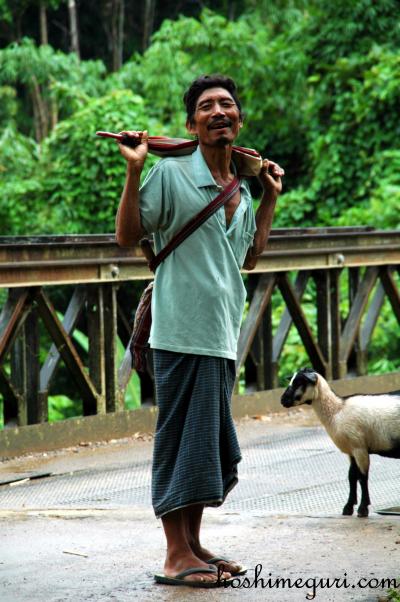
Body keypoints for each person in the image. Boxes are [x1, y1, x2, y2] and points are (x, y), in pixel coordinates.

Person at [115, 74, 284, 587]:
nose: (218, 111)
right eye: (206, 106)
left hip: (219, 334)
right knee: (179, 441)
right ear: (192, 124)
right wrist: (135, 171)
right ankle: (174, 556)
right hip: (179, 331)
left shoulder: (242, 189)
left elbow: (249, 258)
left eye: (227, 105)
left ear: (238, 120)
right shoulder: (169, 175)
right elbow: (127, 236)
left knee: (206, 443)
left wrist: (269, 197)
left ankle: (192, 545)